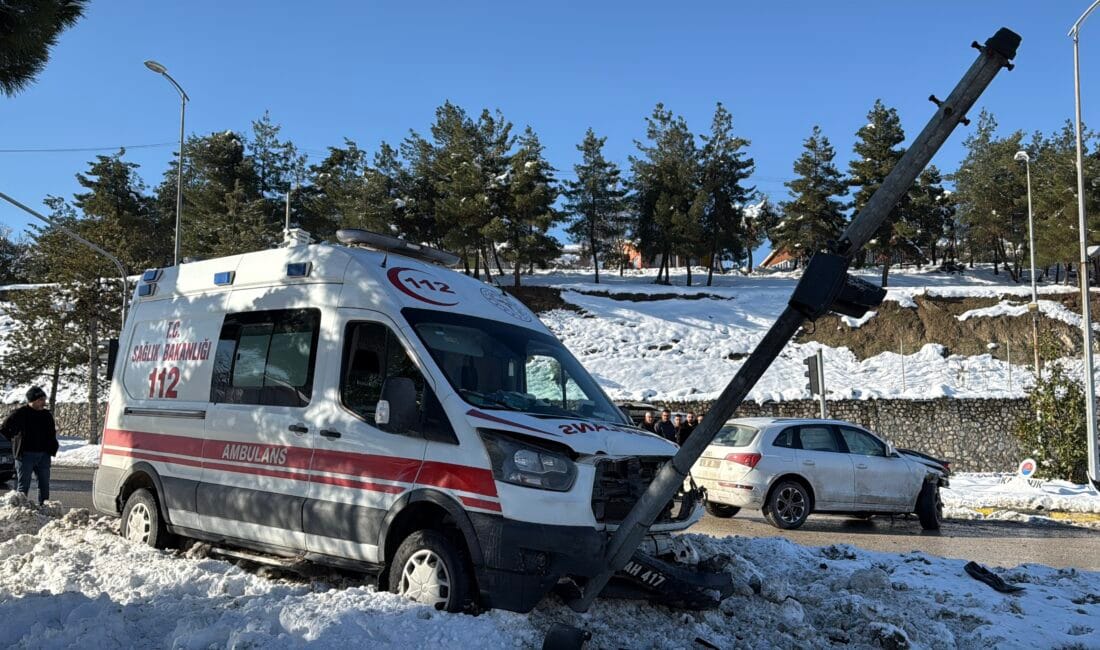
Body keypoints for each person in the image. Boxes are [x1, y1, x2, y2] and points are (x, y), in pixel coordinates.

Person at [0, 386, 59, 504]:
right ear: (33, 400)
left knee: (44, 485)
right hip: (25, 455)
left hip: (44, 455)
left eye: (44, 399)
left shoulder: (47, 415)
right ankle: (20, 511)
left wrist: (52, 446)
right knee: (23, 487)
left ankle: (44, 510)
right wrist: (15, 441)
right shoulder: (19, 413)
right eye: (41, 400)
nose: (44, 402)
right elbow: (4, 429)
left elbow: (52, 432)